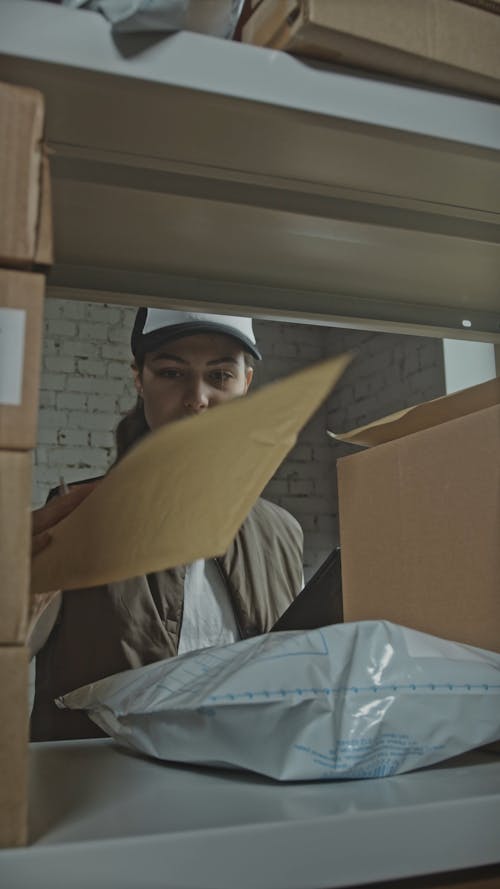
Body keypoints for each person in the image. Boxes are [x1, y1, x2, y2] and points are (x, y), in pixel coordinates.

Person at [30, 309, 304, 742]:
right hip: (100, 797)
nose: (197, 398)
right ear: (140, 379)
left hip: (251, 796)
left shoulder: (282, 532)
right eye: (172, 372)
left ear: (246, 384)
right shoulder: (74, 515)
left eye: (220, 376)